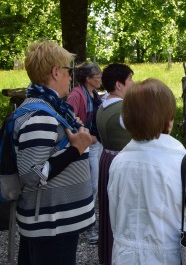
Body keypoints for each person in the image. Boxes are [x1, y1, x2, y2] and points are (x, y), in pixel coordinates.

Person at [107, 78, 186, 264]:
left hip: (124, 258)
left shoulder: (118, 162)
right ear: (169, 120)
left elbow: (116, 218)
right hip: (170, 258)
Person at [13, 41, 94, 264]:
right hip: (52, 223)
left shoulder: (49, 109)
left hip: (53, 220)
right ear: (56, 72)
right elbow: (32, 174)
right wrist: (76, 149)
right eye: (69, 71)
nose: (71, 77)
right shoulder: (41, 115)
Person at [95, 63, 134, 265]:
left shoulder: (104, 104)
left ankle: (109, 253)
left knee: (111, 209)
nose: (133, 84)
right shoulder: (122, 110)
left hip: (107, 159)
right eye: (130, 80)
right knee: (123, 212)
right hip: (122, 164)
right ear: (119, 84)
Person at [66, 62, 103, 244]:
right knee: (91, 186)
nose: (101, 78)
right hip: (87, 145)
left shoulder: (94, 94)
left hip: (96, 144)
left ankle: (88, 222)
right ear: (88, 79)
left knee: (94, 185)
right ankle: (87, 226)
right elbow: (68, 120)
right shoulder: (76, 95)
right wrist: (87, 136)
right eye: (98, 76)